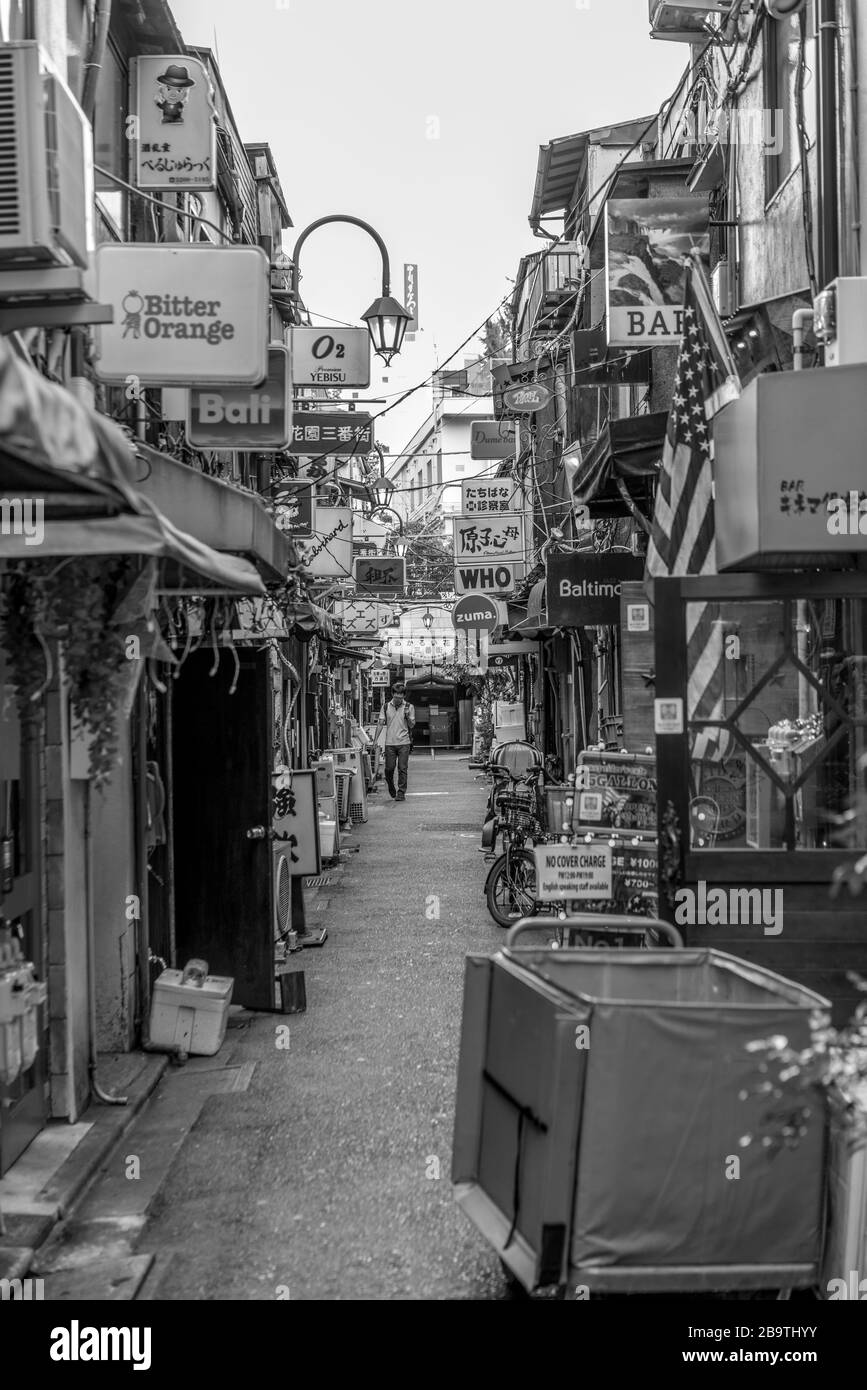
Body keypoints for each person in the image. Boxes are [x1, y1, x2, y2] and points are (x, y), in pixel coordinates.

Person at [377, 682, 415, 802]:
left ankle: (401, 792)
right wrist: (374, 741)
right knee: (389, 768)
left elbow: (412, 725)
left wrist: (408, 716)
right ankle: (391, 786)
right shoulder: (386, 707)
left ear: (404, 696)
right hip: (390, 743)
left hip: (404, 742)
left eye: (401, 697)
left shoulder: (409, 707)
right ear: (392, 694)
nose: (398, 699)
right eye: (396, 696)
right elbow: (380, 723)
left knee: (402, 768)